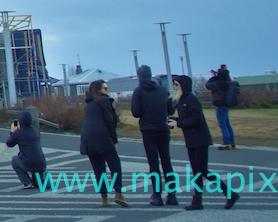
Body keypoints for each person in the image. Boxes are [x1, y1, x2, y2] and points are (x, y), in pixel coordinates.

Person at [174, 74, 236, 211]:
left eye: (176, 84)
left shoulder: (191, 100)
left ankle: (230, 194)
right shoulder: (182, 100)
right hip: (191, 140)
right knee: (196, 172)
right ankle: (197, 200)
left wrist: (179, 123)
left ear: (183, 86)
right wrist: (175, 121)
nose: (174, 86)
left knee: (203, 171)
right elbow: (185, 118)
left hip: (200, 140)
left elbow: (197, 119)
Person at [130, 65, 177, 206]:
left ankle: (157, 195)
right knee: (166, 162)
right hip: (163, 129)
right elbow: (171, 109)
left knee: (154, 164)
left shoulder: (138, 92)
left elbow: (136, 112)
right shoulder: (162, 91)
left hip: (148, 130)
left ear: (139, 76)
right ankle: (172, 194)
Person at [79, 79, 128, 208]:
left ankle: (104, 197)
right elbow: (110, 121)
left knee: (98, 169)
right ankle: (118, 193)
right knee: (115, 165)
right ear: (98, 90)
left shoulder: (89, 103)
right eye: (105, 89)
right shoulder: (104, 101)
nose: (108, 91)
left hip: (87, 137)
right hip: (102, 136)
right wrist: (114, 139)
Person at [5, 109, 46, 190]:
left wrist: (12, 132)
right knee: (38, 184)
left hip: (29, 164)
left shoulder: (19, 133)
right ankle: (38, 180)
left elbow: (9, 143)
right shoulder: (35, 131)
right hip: (41, 164)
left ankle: (27, 182)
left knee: (14, 160)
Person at [204, 65, 239, 150]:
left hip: (220, 105)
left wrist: (213, 77)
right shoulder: (228, 83)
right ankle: (232, 142)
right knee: (227, 124)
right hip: (226, 105)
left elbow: (208, 85)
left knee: (222, 124)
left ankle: (226, 142)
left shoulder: (217, 83)